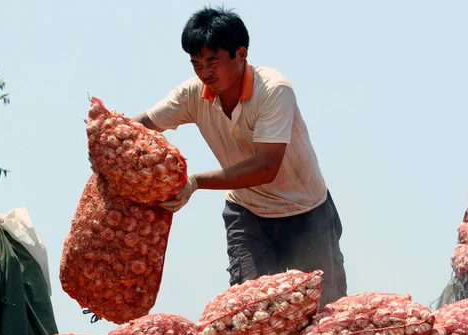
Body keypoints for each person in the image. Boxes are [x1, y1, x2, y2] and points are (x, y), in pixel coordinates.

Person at [132, 6, 347, 307]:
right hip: (247, 213)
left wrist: (194, 182)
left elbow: (265, 167)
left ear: (241, 54)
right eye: (196, 64)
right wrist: (106, 140)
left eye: (213, 62)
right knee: (251, 311)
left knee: (323, 314)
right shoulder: (193, 94)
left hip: (305, 211)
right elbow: (137, 128)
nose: (205, 72)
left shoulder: (273, 90)